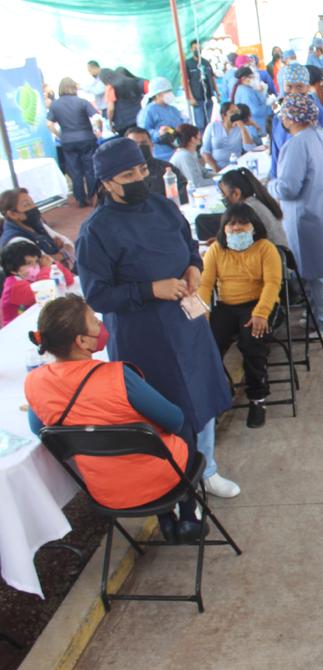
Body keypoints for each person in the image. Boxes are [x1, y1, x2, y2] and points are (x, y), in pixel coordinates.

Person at [76, 137, 239, 498]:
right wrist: (150, 289)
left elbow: (190, 248)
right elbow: (97, 295)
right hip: (143, 337)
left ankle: (207, 468)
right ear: (107, 183)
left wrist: (194, 268)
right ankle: (175, 486)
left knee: (202, 396)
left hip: (187, 323)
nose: (139, 178)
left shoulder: (163, 207)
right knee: (163, 410)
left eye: (141, 170)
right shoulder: (95, 231)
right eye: (128, 175)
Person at [25, 295, 208, 542]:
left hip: (105, 491)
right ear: (81, 341)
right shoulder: (118, 376)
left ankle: (165, 518)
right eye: (94, 321)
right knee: (183, 425)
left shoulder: (35, 382)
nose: (101, 325)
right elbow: (174, 420)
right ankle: (187, 515)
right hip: (160, 480)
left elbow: (41, 431)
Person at [270, 93, 323, 339]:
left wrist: (270, 186)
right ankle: (318, 315)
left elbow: (288, 187)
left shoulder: (297, 144)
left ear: (291, 118)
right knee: (316, 269)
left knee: (318, 272)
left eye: (284, 115)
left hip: (309, 214)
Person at [198, 202, 282, 429]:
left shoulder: (265, 248)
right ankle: (220, 391)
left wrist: (261, 313)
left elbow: (272, 284)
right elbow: (204, 285)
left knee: (251, 342)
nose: (236, 228)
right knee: (205, 343)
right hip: (226, 306)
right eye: (231, 224)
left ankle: (258, 399)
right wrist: (202, 314)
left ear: (253, 226)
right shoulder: (216, 250)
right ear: (223, 228)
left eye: (243, 223)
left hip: (258, 304)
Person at [270, 63, 323, 179]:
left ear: (307, 87)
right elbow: (276, 155)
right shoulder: (279, 117)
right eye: (289, 86)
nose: (294, 92)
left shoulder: (319, 114)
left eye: (299, 87)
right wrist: (274, 179)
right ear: (282, 86)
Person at [46, 78, 101, 208]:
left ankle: (80, 198)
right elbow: (96, 117)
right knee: (90, 168)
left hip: (67, 139)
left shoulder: (55, 105)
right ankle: (93, 195)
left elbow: (49, 124)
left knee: (75, 170)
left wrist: (59, 134)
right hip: (86, 137)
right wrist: (98, 130)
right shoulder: (82, 102)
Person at [1, 241, 74, 326]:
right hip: (17, 327)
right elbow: (42, 292)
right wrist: (46, 268)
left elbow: (69, 280)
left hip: (36, 318)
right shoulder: (13, 286)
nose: (35, 266)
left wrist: (53, 264)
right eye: (29, 263)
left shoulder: (34, 276)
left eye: (36, 261)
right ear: (13, 270)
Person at [0, 188, 74, 265]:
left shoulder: (35, 224)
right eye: (26, 205)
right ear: (13, 214)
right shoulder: (17, 241)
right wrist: (64, 252)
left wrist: (61, 253)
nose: (34, 207)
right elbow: (45, 262)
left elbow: (68, 243)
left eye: (33, 202)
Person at [219, 167, 288, 247]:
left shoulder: (246, 210)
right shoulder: (255, 202)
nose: (223, 198)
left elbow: (239, 243)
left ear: (236, 194)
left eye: (224, 194)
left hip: (272, 253)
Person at [124, 127, 187, 202]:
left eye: (143, 143)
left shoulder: (166, 168)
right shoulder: (123, 175)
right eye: (135, 144)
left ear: (151, 145)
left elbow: (184, 191)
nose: (140, 147)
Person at [201, 102, 258, 172]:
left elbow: (249, 148)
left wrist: (242, 128)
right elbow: (205, 151)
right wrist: (217, 169)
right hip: (214, 168)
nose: (236, 114)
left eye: (237, 112)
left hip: (234, 167)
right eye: (232, 112)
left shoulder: (241, 128)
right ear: (224, 115)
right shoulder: (212, 127)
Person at [141, 77, 184, 162]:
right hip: (162, 155)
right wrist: (159, 134)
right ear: (158, 95)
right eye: (167, 91)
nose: (171, 94)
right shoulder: (149, 111)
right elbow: (144, 132)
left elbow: (181, 124)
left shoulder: (173, 109)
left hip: (179, 151)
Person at [185, 39, 219, 130]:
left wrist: (217, 93)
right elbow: (185, 82)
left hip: (208, 97)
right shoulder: (188, 64)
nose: (197, 50)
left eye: (199, 47)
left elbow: (212, 78)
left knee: (210, 123)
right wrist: (191, 97)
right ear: (191, 50)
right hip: (197, 99)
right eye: (195, 48)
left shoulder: (206, 62)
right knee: (200, 125)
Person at [169, 124, 214, 190]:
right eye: (198, 135)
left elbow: (204, 173)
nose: (201, 137)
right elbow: (197, 183)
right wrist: (219, 181)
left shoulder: (190, 153)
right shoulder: (184, 156)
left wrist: (222, 176)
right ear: (193, 139)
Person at [232, 67, 272, 135]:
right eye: (251, 77)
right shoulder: (246, 92)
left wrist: (262, 92)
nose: (254, 79)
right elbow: (255, 110)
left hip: (257, 125)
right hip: (257, 126)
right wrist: (269, 107)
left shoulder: (246, 89)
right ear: (244, 79)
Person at [106, 67, 145, 136]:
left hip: (123, 123)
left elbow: (111, 109)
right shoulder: (135, 82)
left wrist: (110, 123)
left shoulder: (111, 87)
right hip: (139, 117)